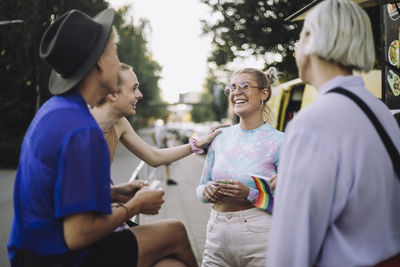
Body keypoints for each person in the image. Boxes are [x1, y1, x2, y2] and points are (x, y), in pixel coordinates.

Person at [7, 9, 198, 267]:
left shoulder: (55, 110)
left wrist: (115, 192)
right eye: (115, 53)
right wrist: (135, 207)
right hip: (58, 256)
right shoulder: (83, 131)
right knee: (174, 231)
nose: (118, 62)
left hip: (29, 253)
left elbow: (58, 193)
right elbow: (78, 235)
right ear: (100, 62)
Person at [268, 1, 400, 266]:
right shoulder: (380, 111)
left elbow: (289, 253)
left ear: (311, 40)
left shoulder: (312, 124)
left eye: (300, 35)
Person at [196, 67, 284, 267]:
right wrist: (207, 191)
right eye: (232, 88)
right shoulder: (220, 137)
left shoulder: (281, 142)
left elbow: (289, 204)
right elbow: (200, 188)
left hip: (260, 238)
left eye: (244, 86)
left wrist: (249, 194)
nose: (236, 93)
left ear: (264, 93)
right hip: (216, 235)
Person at [91, 63, 228, 186]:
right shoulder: (78, 126)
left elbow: (154, 157)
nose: (140, 95)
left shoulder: (119, 123)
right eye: (134, 89)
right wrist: (132, 206)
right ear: (113, 93)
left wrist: (197, 144)